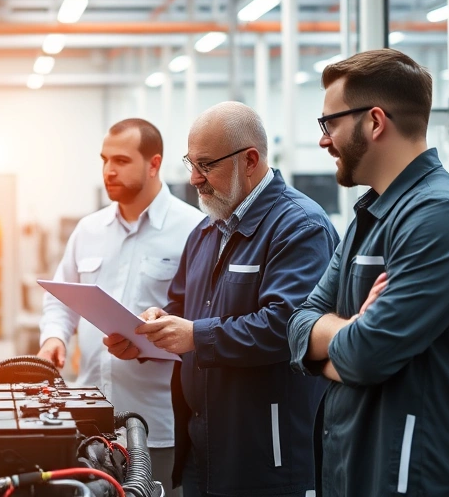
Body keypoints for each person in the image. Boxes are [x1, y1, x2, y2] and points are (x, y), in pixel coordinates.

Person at [287, 49, 449, 496]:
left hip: (411, 477)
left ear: (375, 121)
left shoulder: (443, 219)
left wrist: (330, 349)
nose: (324, 140)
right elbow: (300, 323)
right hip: (355, 466)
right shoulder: (372, 214)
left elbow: (367, 355)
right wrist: (349, 333)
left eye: (330, 123)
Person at [105, 102, 338, 497]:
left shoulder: (299, 227)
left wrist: (196, 335)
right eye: (190, 163)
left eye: (206, 165)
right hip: (204, 447)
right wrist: (148, 333)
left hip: (267, 456)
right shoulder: (207, 231)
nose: (194, 178)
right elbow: (182, 307)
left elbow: (289, 326)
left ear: (249, 160)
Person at [36, 118, 203, 495]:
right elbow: (60, 300)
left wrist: (155, 342)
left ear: (154, 164)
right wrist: (54, 338)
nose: (109, 170)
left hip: (157, 427)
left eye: (122, 161)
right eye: (105, 159)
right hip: (90, 425)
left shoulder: (194, 230)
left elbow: (202, 323)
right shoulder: (88, 230)